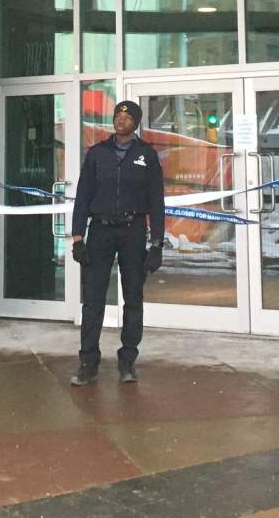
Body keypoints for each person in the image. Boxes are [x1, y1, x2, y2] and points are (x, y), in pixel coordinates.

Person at [69, 100, 165, 385]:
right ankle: (88, 361)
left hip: (133, 231)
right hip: (101, 231)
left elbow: (156, 201)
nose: (121, 120)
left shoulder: (146, 155)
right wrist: (78, 237)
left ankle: (127, 360)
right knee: (93, 299)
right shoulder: (98, 153)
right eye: (117, 116)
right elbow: (83, 195)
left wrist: (157, 244)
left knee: (133, 297)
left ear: (136, 122)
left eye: (127, 117)